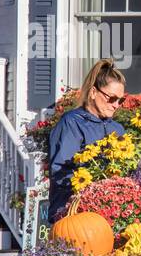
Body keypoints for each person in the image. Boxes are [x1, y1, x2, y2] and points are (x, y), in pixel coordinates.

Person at [48, 60, 127, 221]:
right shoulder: (72, 123)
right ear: (93, 92)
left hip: (110, 213)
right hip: (73, 213)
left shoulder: (117, 129)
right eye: (111, 98)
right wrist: (94, 188)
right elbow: (61, 171)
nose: (116, 105)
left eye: (121, 100)